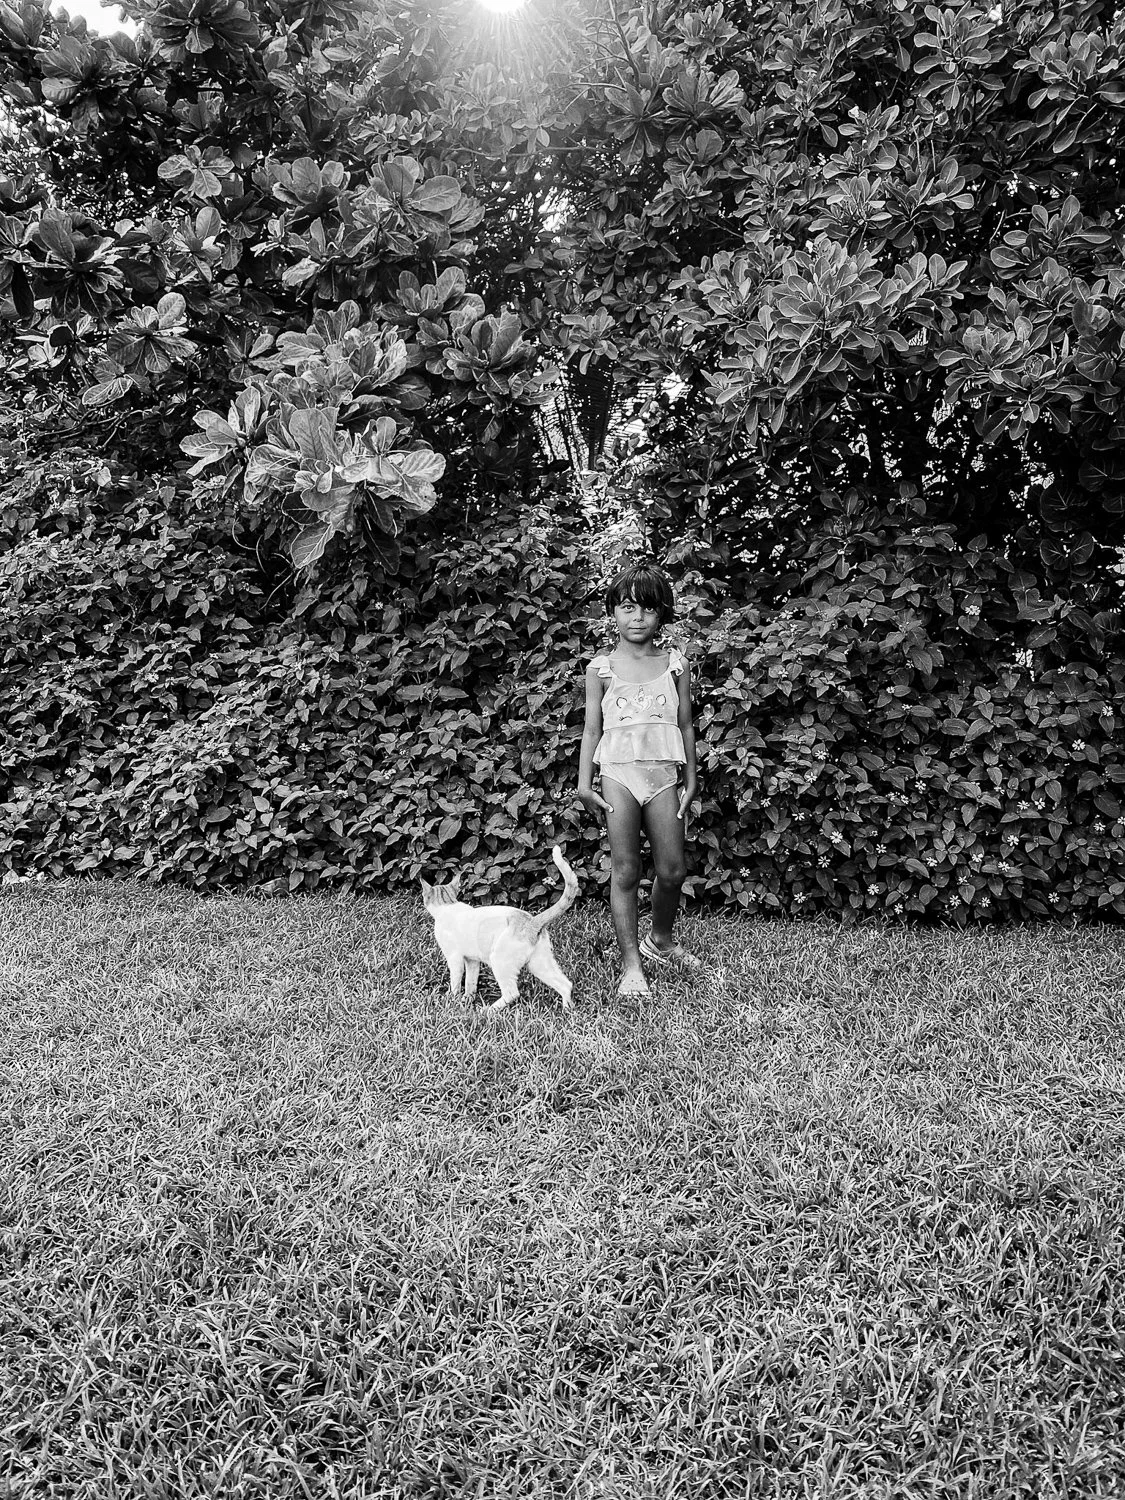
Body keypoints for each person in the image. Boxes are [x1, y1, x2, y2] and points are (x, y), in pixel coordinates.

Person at [577, 560, 701, 998]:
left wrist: (691, 777)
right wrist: (583, 781)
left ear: (661, 615)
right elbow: (592, 729)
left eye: (647, 609)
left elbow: (686, 726)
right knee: (626, 869)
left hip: (665, 776)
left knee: (672, 869)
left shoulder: (675, 665)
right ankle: (632, 965)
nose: (637, 618)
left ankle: (660, 941)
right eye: (627, 607)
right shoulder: (601, 669)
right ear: (613, 611)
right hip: (617, 776)